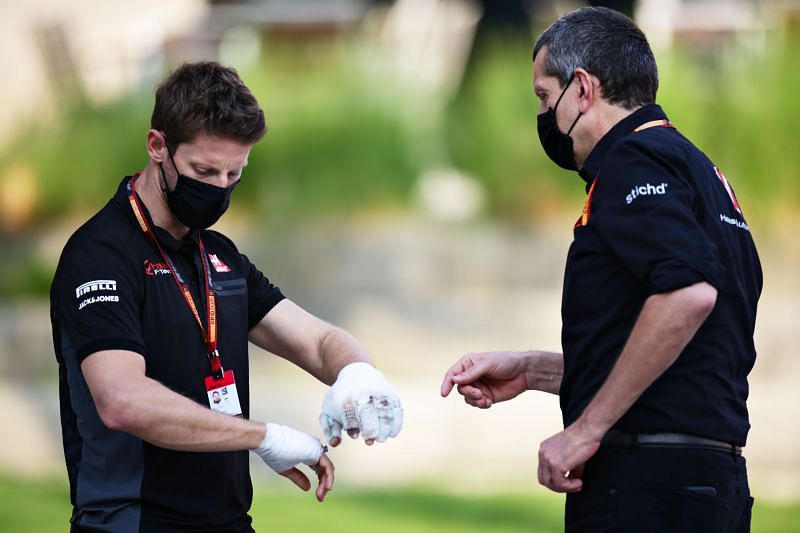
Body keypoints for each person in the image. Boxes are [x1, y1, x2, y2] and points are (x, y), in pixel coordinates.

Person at [441, 7, 761, 532]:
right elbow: (686, 356)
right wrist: (534, 370)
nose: (544, 115)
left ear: (583, 89)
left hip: (648, 486)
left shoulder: (632, 161)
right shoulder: (698, 170)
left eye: (545, 97)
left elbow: (688, 294)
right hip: (705, 483)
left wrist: (586, 430)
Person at [50, 61, 403, 532]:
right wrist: (261, 437)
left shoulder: (217, 254)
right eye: (204, 170)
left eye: (235, 173)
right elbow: (122, 400)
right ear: (158, 147)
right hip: (132, 524)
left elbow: (317, 341)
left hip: (228, 523)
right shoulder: (100, 255)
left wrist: (359, 375)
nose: (219, 188)